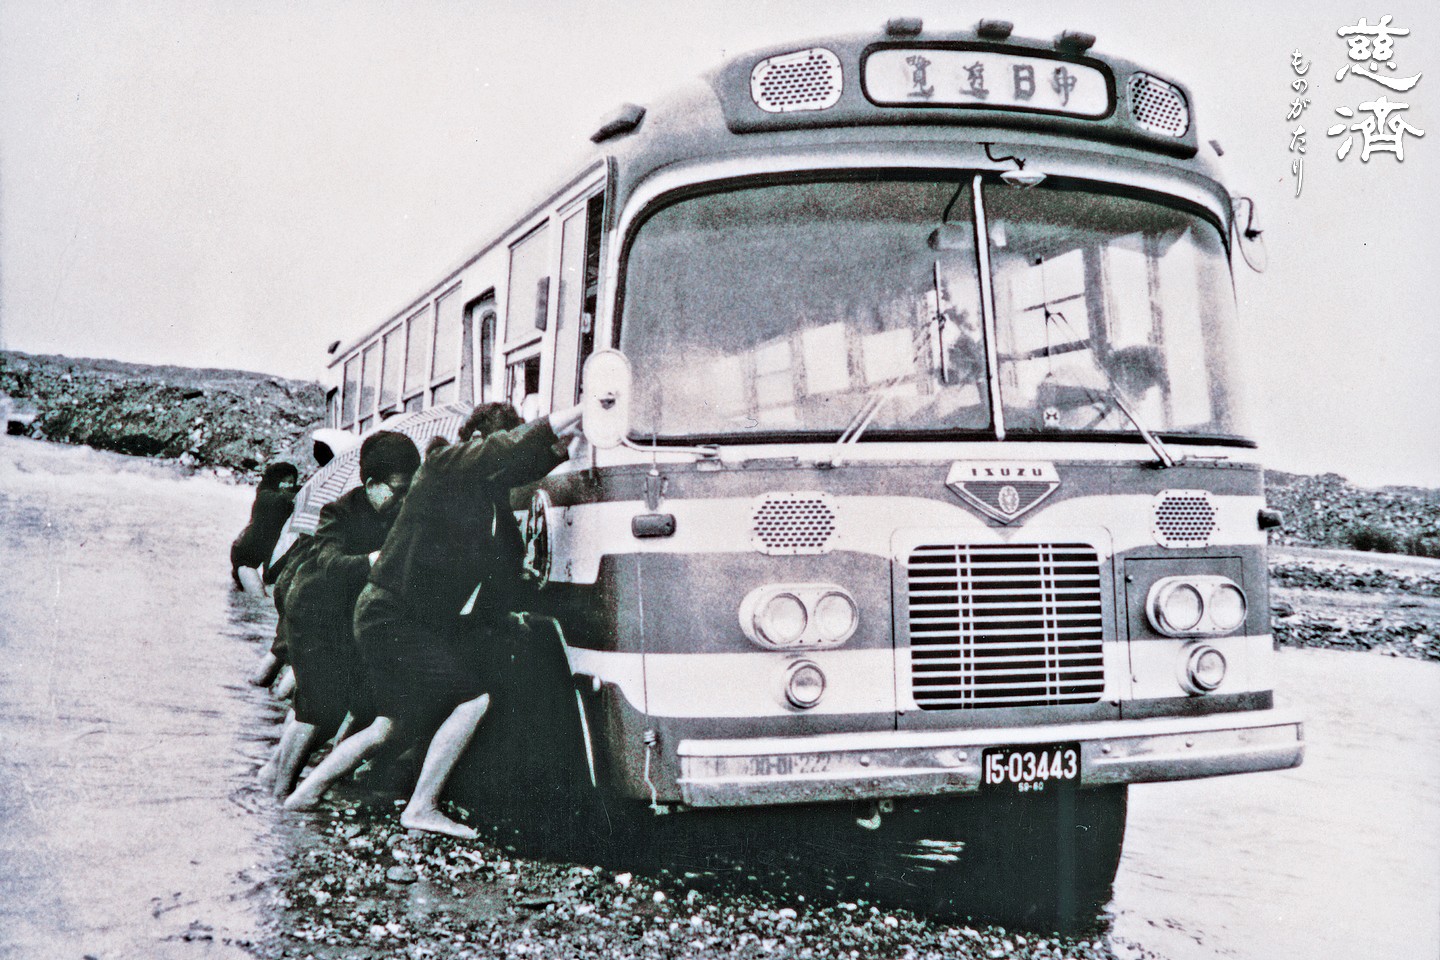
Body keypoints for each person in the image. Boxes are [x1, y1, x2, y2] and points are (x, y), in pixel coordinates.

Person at [285, 401, 582, 838]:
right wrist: (570, 412)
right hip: (392, 616)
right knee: (472, 700)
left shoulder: (481, 488)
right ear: (476, 441)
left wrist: (572, 441)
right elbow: (503, 452)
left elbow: (521, 466)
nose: (503, 463)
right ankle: (421, 807)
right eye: (496, 446)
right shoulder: (442, 465)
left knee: (390, 725)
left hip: (393, 616)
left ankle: (302, 797)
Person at [264, 430, 422, 797]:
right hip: (313, 613)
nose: (403, 500)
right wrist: (374, 560)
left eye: (409, 491)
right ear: (371, 484)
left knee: (349, 703)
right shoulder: (338, 511)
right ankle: (281, 796)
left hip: (351, 618)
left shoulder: (397, 513)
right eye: (397, 491)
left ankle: (277, 776)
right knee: (318, 708)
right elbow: (329, 562)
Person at [230, 461, 299, 593]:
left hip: (262, 556)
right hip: (245, 557)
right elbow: (280, 500)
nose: (288, 485)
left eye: (291, 482)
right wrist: (299, 496)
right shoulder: (265, 496)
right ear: (274, 481)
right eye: (284, 481)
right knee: (256, 596)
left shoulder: (284, 498)